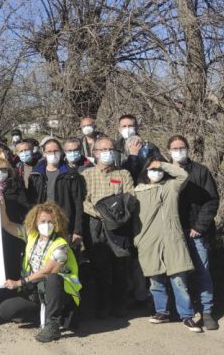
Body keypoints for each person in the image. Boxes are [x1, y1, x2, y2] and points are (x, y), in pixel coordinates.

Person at [131, 156, 202, 332]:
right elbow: (134, 220)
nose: (156, 172)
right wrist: (138, 240)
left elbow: (183, 175)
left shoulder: (171, 187)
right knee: (155, 279)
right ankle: (161, 311)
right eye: (152, 168)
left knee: (179, 279)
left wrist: (162, 164)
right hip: (148, 240)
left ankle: (187, 315)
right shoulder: (137, 191)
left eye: (159, 169)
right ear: (145, 171)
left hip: (172, 238)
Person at [0, 201, 82, 343]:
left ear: (56, 222)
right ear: (35, 221)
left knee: (53, 277)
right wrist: (1, 207)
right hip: (35, 291)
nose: (47, 225)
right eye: (43, 221)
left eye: (50, 221)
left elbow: (47, 271)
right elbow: (7, 224)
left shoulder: (61, 244)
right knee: (5, 310)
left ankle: (53, 325)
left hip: (60, 292)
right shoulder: (31, 235)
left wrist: (20, 282)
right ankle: (41, 313)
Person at [168, 135, 220, 330]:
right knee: (178, 273)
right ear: (168, 151)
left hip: (197, 231)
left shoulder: (201, 172)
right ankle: (185, 311)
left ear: (188, 149)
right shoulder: (164, 172)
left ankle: (207, 311)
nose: (178, 151)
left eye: (182, 147)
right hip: (173, 232)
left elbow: (212, 201)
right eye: (174, 148)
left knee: (202, 271)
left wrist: (200, 227)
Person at [81, 136, 134, 318]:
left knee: (120, 266)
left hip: (119, 224)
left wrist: (115, 214)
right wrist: (99, 213)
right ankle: (102, 306)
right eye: (103, 150)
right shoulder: (86, 175)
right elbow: (83, 200)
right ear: (95, 153)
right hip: (95, 224)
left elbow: (129, 197)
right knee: (99, 267)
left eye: (110, 149)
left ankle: (119, 305)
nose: (107, 153)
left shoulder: (123, 174)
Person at [30, 139, 85, 249]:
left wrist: (77, 231)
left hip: (65, 225)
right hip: (43, 224)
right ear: (44, 153)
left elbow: (78, 204)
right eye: (49, 151)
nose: (53, 154)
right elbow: (31, 202)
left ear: (61, 152)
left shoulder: (72, 175)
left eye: (56, 151)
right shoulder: (36, 175)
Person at [0, 157, 30, 283]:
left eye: (3, 170)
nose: (0, 173)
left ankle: (14, 286)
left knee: (11, 260)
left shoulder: (16, 188)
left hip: (11, 231)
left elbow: (25, 207)